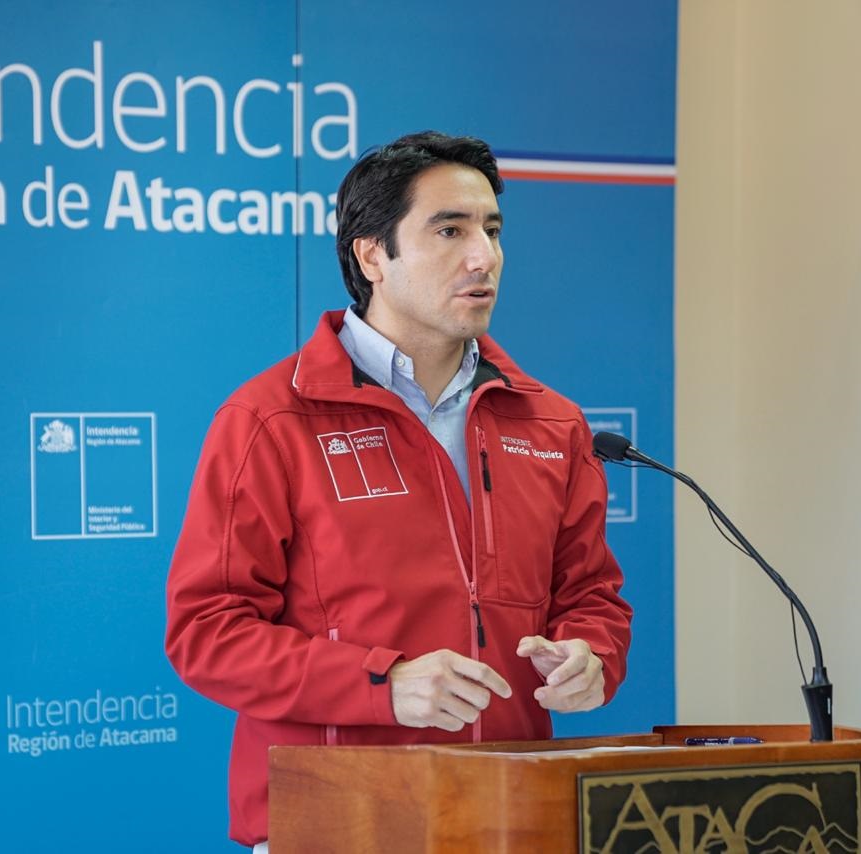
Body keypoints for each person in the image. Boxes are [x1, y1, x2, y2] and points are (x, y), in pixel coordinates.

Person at [165, 131, 632, 850]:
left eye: (492, 230)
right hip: (337, 825)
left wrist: (590, 656)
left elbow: (591, 597)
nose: (483, 257)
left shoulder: (552, 422)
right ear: (372, 257)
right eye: (450, 230)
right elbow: (207, 632)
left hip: (511, 817)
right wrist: (384, 682)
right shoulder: (270, 419)